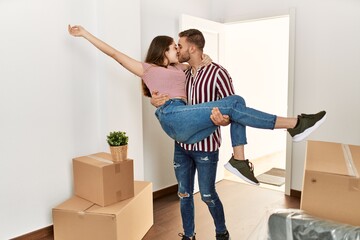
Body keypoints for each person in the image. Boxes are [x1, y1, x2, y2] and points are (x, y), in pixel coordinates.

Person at [68, 25, 326, 240]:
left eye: (179, 46)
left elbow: (200, 61)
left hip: (191, 134)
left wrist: (206, 60)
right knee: (236, 102)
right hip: (172, 117)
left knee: (234, 106)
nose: (177, 50)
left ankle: (214, 226)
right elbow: (114, 54)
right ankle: (293, 125)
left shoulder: (185, 69)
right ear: (162, 50)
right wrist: (84, 34)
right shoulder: (148, 69)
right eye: (173, 47)